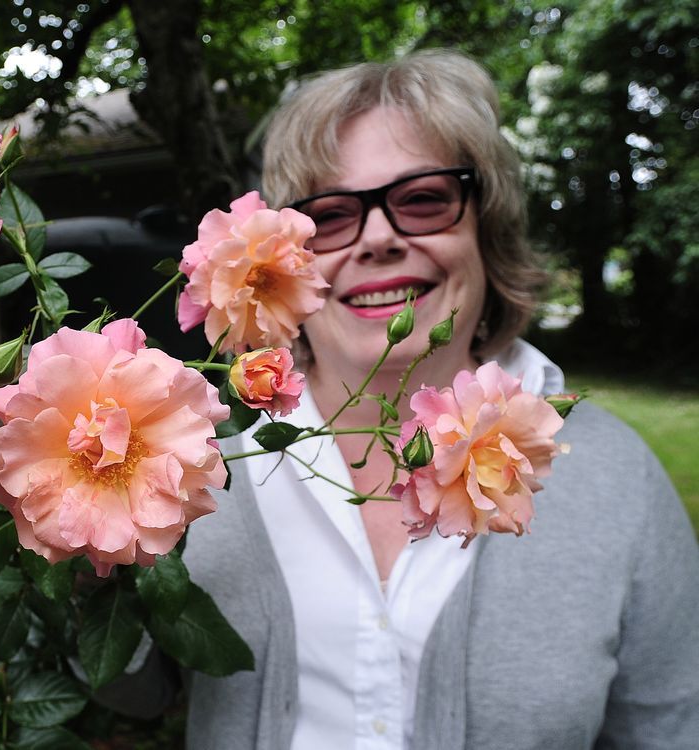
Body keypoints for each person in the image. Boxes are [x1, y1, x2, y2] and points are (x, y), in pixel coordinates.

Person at [176, 49, 699, 749]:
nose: (380, 238)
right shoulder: (195, 458)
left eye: (424, 199)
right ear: (280, 262)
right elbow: (133, 685)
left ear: (488, 226)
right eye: (329, 216)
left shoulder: (615, 479)